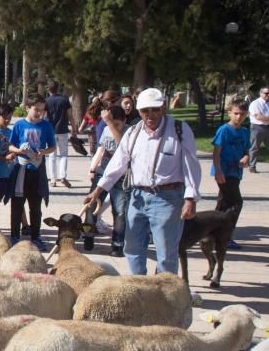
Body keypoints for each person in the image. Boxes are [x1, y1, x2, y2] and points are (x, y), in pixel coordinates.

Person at [86, 88, 201, 275]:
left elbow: (191, 166)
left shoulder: (179, 130)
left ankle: (163, 294)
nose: (150, 115)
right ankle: (139, 286)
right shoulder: (133, 133)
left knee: (166, 252)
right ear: (138, 111)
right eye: (145, 110)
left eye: (155, 109)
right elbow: (117, 164)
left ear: (163, 108)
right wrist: (97, 191)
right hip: (138, 196)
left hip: (168, 198)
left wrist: (190, 199)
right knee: (131, 247)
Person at [7, 94, 56, 250]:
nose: (39, 113)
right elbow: (10, 146)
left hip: (37, 169)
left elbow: (53, 147)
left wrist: (44, 152)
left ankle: (36, 237)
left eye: (42, 110)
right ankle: (14, 236)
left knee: (36, 207)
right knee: (17, 205)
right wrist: (19, 150)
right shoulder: (19, 125)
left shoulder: (46, 126)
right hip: (21, 169)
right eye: (36, 109)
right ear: (27, 108)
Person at [85, 104, 128, 255]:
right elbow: (101, 150)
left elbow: (125, 147)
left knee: (120, 211)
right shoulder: (105, 129)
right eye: (111, 123)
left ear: (124, 121)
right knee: (91, 205)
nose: (113, 127)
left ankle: (117, 245)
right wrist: (93, 168)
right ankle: (88, 236)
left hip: (121, 175)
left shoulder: (129, 132)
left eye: (117, 124)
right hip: (103, 171)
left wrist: (110, 123)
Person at [211, 99, 251, 249]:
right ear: (229, 113)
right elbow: (216, 153)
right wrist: (218, 170)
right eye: (236, 113)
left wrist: (246, 157)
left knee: (224, 204)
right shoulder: (224, 130)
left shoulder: (244, 132)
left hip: (236, 171)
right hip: (224, 172)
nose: (238, 117)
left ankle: (213, 233)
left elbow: (247, 150)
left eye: (242, 114)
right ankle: (225, 235)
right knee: (236, 203)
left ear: (246, 114)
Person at [45, 82, 75, 188]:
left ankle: (53, 179)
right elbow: (70, 115)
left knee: (52, 155)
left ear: (49, 89)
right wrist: (73, 128)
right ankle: (63, 176)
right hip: (62, 129)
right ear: (58, 89)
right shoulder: (64, 100)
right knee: (63, 154)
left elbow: (43, 116)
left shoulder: (47, 101)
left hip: (50, 130)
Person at [248, 87, 269, 172]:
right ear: (261, 94)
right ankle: (252, 166)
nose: (268, 95)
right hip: (257, 127)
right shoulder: (255, 103)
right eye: (266, 93)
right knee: (255, 147)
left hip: (267, 127)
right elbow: (258, 116)